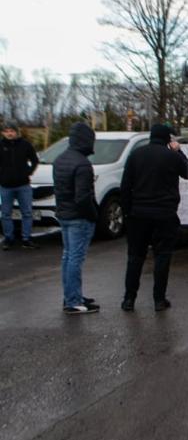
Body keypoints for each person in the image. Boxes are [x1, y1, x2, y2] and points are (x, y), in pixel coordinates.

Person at [121, 124, 188, 312]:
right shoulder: (171, 157)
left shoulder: (136, 155)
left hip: (138, 215)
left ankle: (129, 299)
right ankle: (159, 300)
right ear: (167, 139)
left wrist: (127, 212)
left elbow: (125, 187)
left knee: (135, 257)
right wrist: (179, 152)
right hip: (165, 215)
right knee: (162, 256)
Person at [53, 122, 100, 314]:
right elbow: (83, 197)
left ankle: (72, 296)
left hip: (64, 214)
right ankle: (73, 301)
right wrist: (93, 215)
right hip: (78, 218)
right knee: (75, 259)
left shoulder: (60, 159)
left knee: (68, 257)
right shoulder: (82, 164)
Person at [1, 120, 40, 250]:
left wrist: (28, 172)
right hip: (5, 186)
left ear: (16, 132)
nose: (9, 133)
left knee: (27, 213)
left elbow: (35, 160)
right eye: (6, 131)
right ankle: (8, 238)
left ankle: (26, 238)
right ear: (3, 133)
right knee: (6, 213)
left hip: (23, 185)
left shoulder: (25, 145)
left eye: (11, 131)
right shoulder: (1, 145)